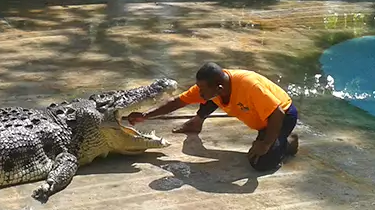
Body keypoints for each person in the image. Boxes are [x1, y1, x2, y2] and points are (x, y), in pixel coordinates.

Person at [127, 62, 299, 172]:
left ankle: (287, 142)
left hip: (281, 117)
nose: (198, 92)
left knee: (260, 163)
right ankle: (196, 122)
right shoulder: (216, 88)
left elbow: (277, 113)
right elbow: (178, 102)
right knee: (210, 99)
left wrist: (266, 143)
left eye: (202, 88)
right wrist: (146, 115)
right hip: (261, 115)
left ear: (219, 86)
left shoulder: (250, 86)